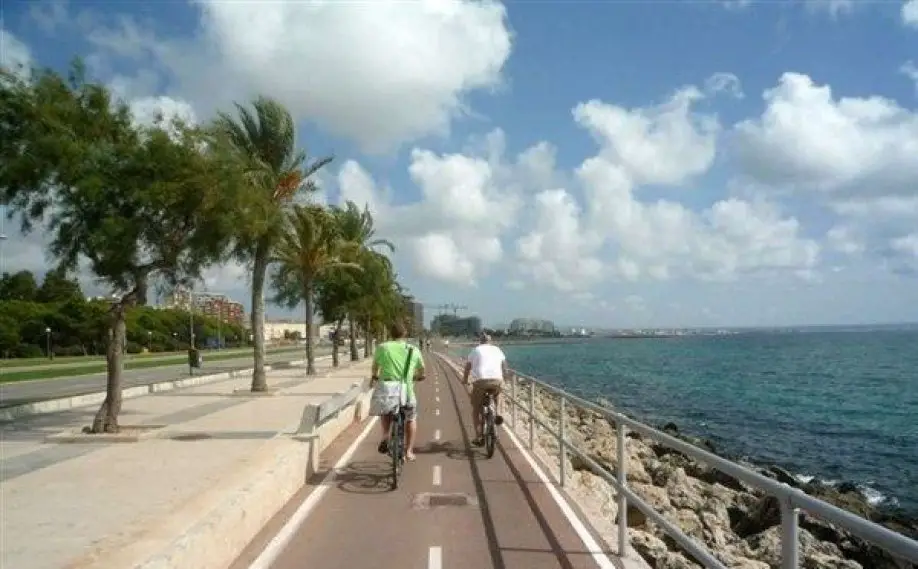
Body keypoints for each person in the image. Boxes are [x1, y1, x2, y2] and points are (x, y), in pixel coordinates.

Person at [370, 322, 425, 461]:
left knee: (385, 411)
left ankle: (385, 435)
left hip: (387, 389)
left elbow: (375, 367)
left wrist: (375, 376)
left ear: (390, 334)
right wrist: (419, 376)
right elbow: (422, 370)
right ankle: (409, 451)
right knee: (411, 418)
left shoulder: (382, 347)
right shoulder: (413, 350)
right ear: (405, 334)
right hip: (406, 392)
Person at [462, 332, 507, 447]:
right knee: (498, 394)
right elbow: (504, 366)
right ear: (490, 341)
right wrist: (504, 379)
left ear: (480, 341)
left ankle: (479, 437)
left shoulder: (475, 350)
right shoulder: (497, 349)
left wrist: (465, 380)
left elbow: (468, 367)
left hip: (480, 382)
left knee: (476, 409)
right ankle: (498, 413)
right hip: (497, 380)